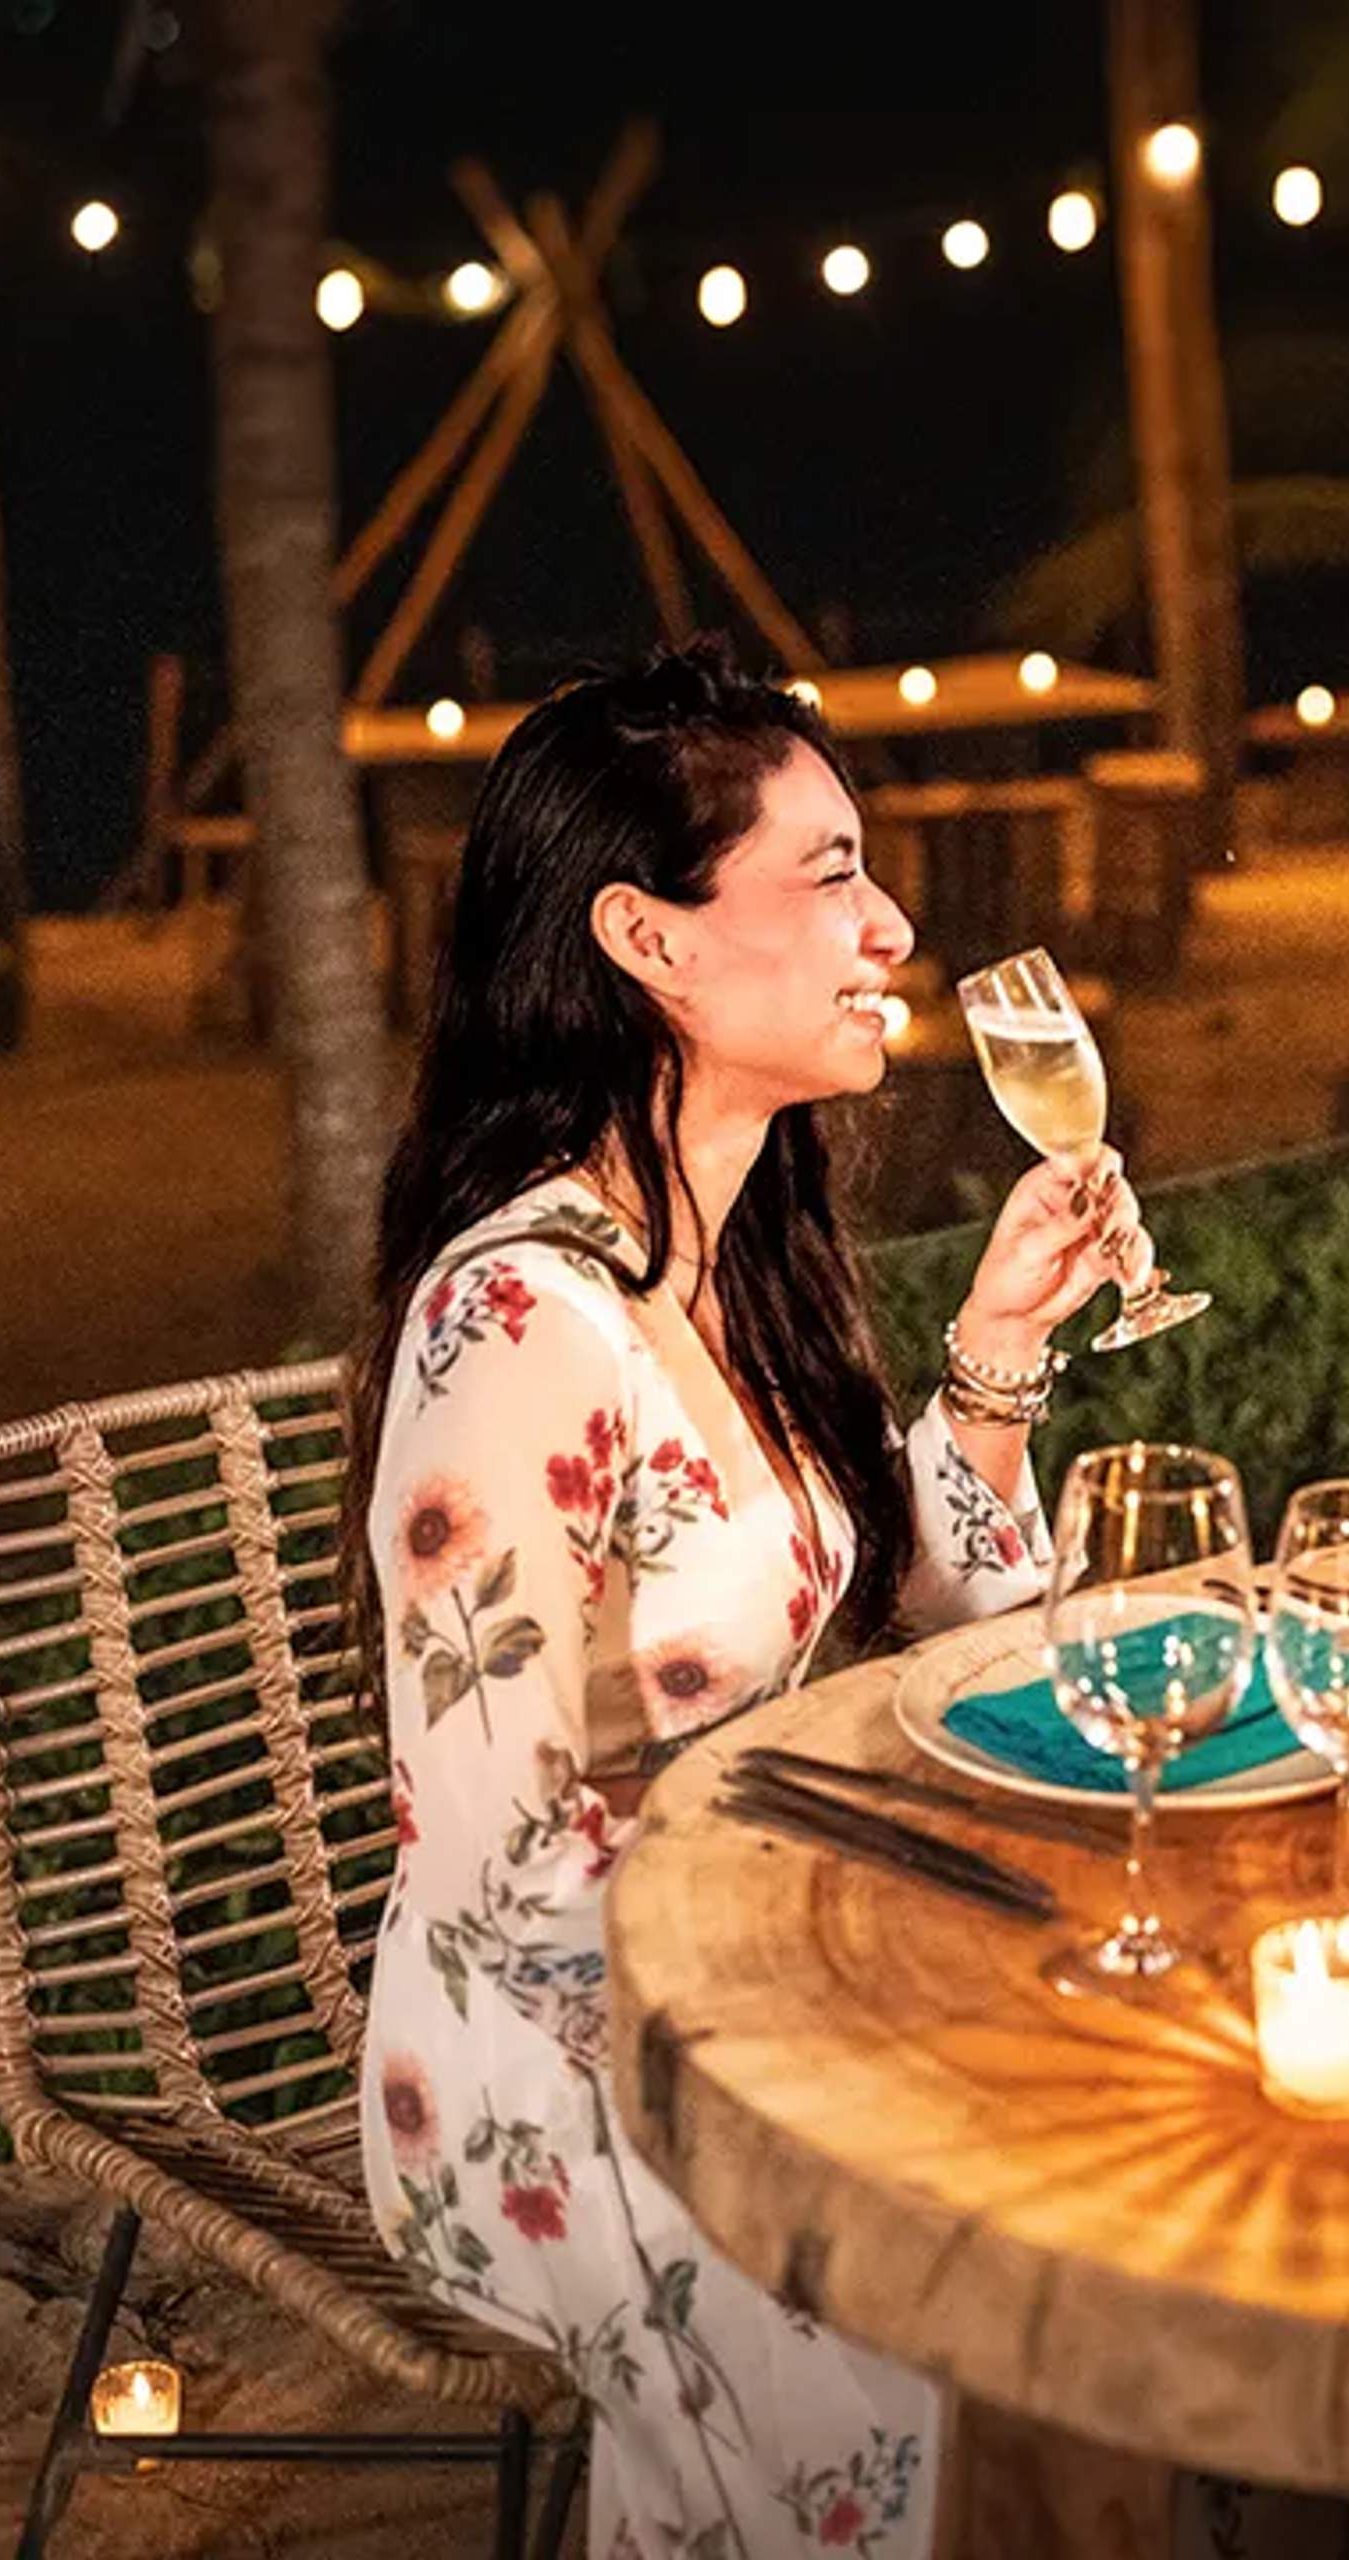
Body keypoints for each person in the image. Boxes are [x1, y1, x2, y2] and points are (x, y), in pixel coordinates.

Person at [349, 646, 1141, 2557]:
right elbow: (501, 1845)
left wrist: (995, 1358)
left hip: (763, 1976)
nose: (891, 924)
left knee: (1140, 2186)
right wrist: (845, 1977)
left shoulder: (738, 1255)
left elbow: (926, 1619)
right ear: (650, 938)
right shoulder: (520, 1320)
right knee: (948, 2327)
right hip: (554, 2061)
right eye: (828, 873)